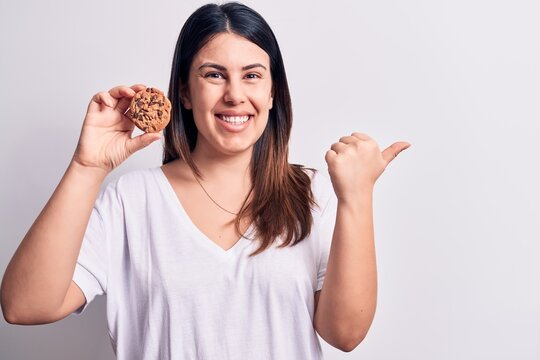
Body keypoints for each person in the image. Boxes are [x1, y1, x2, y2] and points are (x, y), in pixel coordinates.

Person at [0, 2, 410, 359]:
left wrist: (357, 197)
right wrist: (86, 167)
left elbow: (345, 334)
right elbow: (24, 306)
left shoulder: (314, 193)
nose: (234, 94)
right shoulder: (132, 201)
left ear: (272, 93)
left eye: (252, 75)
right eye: (214, 75)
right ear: (184, 92)